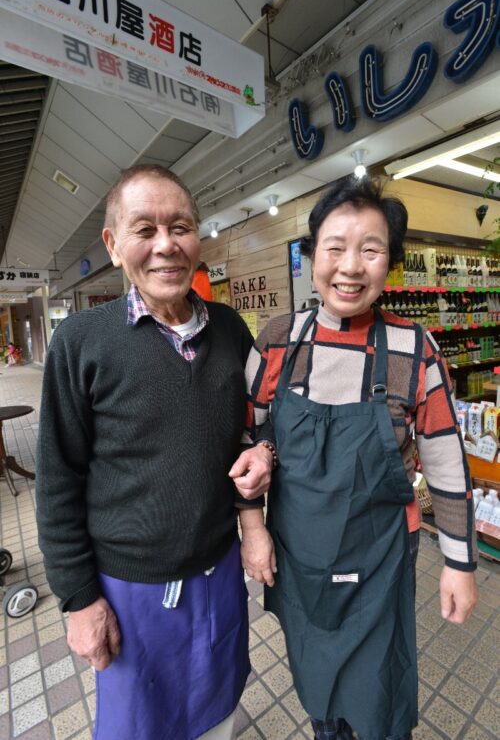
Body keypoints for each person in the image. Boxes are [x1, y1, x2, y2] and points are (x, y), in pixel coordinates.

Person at [36, 164, 274, 740]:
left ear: (198, 239)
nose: (166, 245)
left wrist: (264, 453)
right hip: (128, 588)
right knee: (139, 726)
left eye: (181, 226)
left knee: (219, 713)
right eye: (144, 230)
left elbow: (252, 427)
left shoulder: (228, 329)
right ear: (115, 246)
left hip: (217, 576)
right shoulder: (81, 341)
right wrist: (78, 599)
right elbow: (58, 477)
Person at [235, 176, 478, 740]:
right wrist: (252, 525)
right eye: (335, 247)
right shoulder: (278, 340)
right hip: (300, 553)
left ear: (388, 263)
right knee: (318, 687)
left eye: (370, 249)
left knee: (380, 697)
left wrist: (461, 563)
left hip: (382, 557)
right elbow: (247, 436)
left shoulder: (413, 349)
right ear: (311, 255)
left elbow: (445, 462)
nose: (350, 266)